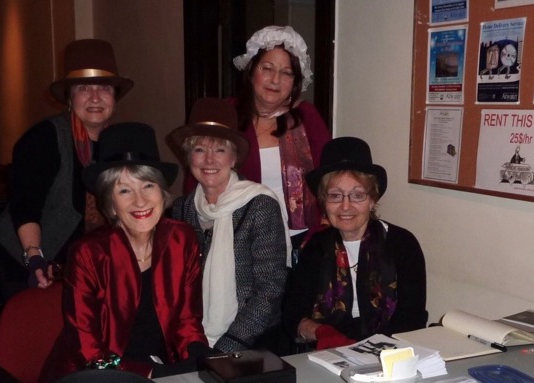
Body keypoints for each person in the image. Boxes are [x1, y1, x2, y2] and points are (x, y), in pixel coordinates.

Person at [39, 122, 210, 383]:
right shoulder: (88, 253)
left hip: (164, 371)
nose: (140, 201)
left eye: (148, 186)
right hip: (93, 378)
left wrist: (200, 359)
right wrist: (151, 375)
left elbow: (188, 322)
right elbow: (88, 348)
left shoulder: (182, 238)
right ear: (111, 203)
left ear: (162, 193)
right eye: (124, 190)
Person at [0, 39, 133, 298]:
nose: (94, 97)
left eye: (104, 88)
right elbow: (25, 204)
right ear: (70, 98)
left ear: (114, 97)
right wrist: (34, 257)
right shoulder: (45, 137)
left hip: (85, 263)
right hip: (30, 258)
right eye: (83, 88)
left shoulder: (119, 142)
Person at [185, 26, 331, 252]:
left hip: (300, 240)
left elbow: (330, 177)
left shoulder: (307, 117)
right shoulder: (225, 113)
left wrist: (324, 227)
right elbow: (197, 172)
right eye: (268, 68)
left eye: (286, 73)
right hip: (235, 239)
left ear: (295, 81)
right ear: (252, 69)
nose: (275, 79)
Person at [168, 98, 290, 352]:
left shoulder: (260, 204)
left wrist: (227, 346)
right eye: (200, 149)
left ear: (234, 158)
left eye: (220, 150)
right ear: (189, 158)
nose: (209, 160)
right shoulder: (181, 209)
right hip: (194, 336)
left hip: (255, 341)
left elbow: (269, 288)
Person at [283, 137, 428, 350]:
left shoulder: (402, 244)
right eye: (335, 195)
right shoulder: (315, 247)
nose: (345, 206)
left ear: (372, 199)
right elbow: (293, 316)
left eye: (357, 195)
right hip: (324, 352)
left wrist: (365, 349)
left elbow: (412, 317)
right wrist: (322, 332)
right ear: (324, 201)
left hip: (390, 352)